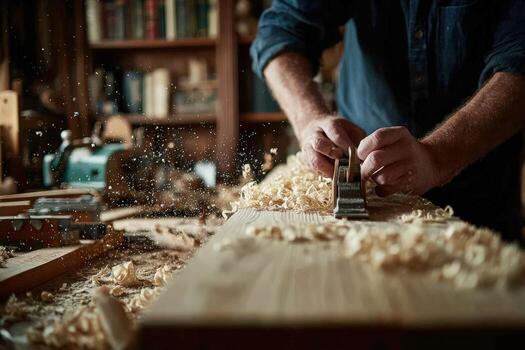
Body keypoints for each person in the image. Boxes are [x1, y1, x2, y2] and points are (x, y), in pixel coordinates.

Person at [250, 1, 525, 243]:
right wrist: (310, 118)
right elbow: (280, 31)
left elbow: (519, 59)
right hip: (368, 188)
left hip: (479, 197)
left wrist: (441, 154)